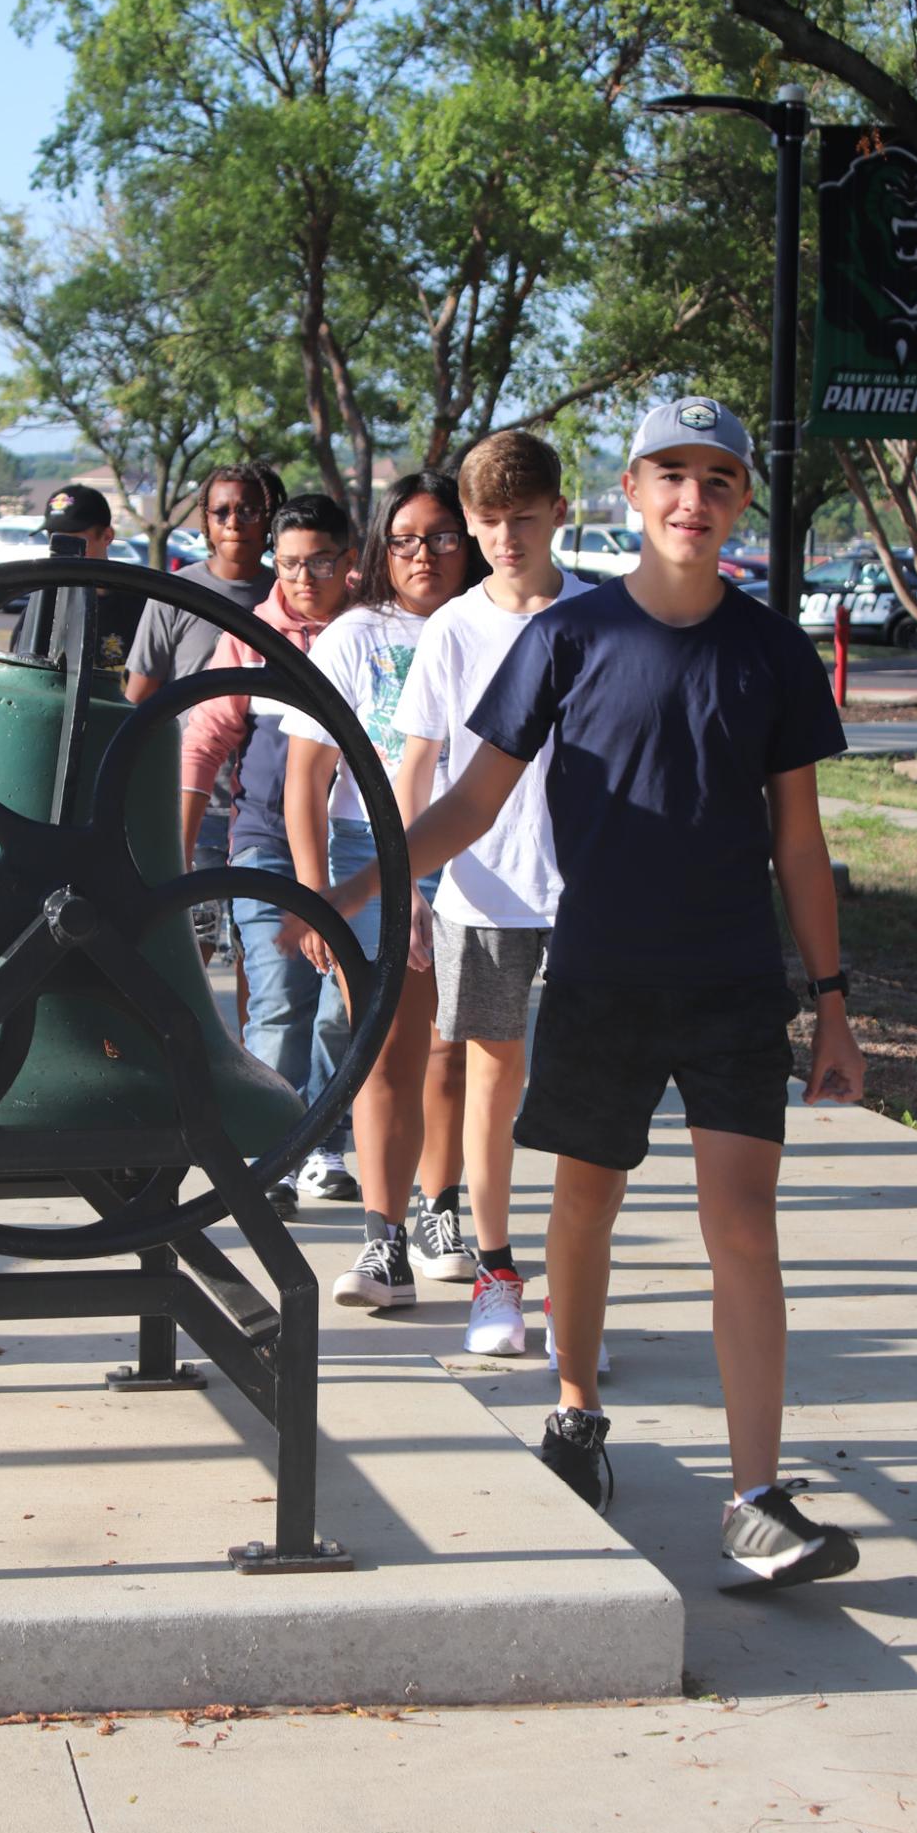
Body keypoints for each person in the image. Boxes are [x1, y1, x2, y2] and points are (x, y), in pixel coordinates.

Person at [319, 397, 865, 1591]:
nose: (693, 497)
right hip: (600, 973)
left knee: (743, 1230)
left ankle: (757, 1498)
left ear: (739, 501)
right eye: (671, 474)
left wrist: (829, 1003)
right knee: (583, 1207)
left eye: (718, 479)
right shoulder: (566, 639)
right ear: (630, 490)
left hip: (730, 983)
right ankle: (574, 1417)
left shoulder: (768, 650)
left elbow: (802, 847)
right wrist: (363, 882)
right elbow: (468, 802)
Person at [391, 430, 600, 1360]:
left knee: (593, 1093)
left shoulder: (606, 616)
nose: (505, 539)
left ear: (561, 509)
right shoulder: (451, 627)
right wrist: (407, 879)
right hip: (481, 891)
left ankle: (577, 1299)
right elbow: (419, 763)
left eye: (522, 519)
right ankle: (494, 1276)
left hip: (594, 895)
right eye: (487, 524)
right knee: (491, 1079)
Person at [281, 469, 473, 1308]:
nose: (422, 554)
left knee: (451, 1052)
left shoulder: (495, 623)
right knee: (383, 1050)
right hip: (372, 855)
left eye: (439, 536)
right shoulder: (355, 636)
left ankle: (440, 1210)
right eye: (403, 540)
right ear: (380, 552)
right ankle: (382, 1239)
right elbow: (304, 777)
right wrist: (317, 891)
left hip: (480, 858)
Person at [180, 493, 358, 1212]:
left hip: (353, 845)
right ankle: (268, 1150)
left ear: (349, 561)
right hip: (265, 841)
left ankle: (323, 1142)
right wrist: (177, 848)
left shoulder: (372, 632)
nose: (303, 579)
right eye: (287, 564)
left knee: (339, 1009)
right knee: (280, 996)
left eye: (319, 561)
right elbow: (205, 735)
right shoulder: (253, 634)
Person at [126, 463, 282, 980]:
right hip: (197, 804)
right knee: (191, 956)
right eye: (222, 511)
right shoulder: (175, 593)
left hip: (268, 809)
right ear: (204, 522)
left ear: (269, 519)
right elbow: (139, 700)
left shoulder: (289, 594)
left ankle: (248, 1061)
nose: (234, 522)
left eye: (248, 510)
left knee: (261, 962)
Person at [12, 482, 148, 677]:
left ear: (107, 536)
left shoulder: (142, 605)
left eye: (74, 541)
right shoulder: (42, 607)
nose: (63, 551)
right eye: (55, 540)